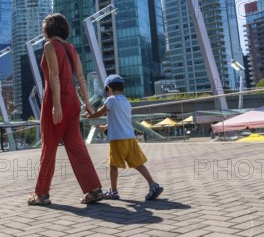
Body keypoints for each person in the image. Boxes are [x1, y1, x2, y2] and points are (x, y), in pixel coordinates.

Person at [27, 13, 104, 205]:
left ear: (48, 29)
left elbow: (53, 75)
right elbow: (81, 76)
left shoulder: (49, 46)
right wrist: (87, 102)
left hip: (56, 100)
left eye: (43, 27)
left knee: (49, 147)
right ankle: (94, 189)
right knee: (77, 146)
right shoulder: (71, 49)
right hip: (73, 102)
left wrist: (56, 105)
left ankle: (41, 194)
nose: (42, 30)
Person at [87, 74, 163, 201]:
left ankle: (114, 191)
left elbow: (99, 113)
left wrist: (90, 116)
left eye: (106, 90)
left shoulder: (110, 100)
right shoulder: (126, 102)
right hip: (130, 138)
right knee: (138, 164)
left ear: (109, 88)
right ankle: (153, 185)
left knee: (113, 165)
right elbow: (121, 119)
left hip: (117, 140)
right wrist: (106, 126)